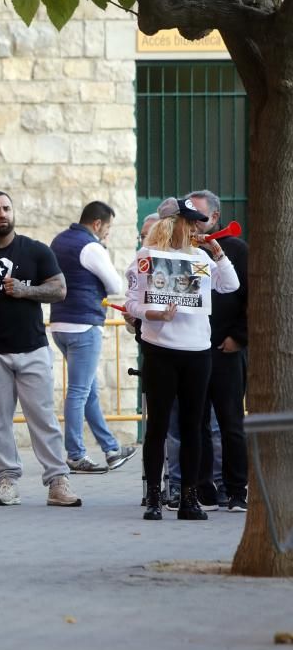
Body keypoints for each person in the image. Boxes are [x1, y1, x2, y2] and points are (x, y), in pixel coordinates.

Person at [0, 191, 82, 507]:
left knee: (43, 417)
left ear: (13, 213)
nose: (2, 214)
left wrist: (26, 290)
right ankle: (7, 481)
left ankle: (57, 481)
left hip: (32, 348)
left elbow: (60, 289)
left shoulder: (36, 251)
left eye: (6, 208)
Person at [125, 197, 239, 520]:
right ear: (172, 224)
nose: (195, 228)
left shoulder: (201, 256)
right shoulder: (145, 257)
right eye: (189, 222)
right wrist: (154, 313)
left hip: (197, 351)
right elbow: (132, 302)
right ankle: (153, 500)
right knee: (158, 427)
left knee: (193, 427)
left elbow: (230, 285)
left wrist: (219, 254)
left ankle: (189, 498)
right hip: (160, 349)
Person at [49, 201, 137, 474]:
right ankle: (75, 455)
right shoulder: (91, 247)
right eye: (108, 227)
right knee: (78, 392)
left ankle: (111, 449)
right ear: (97, 223)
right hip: (84, 325)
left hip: (60, 324)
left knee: (89, 392)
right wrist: (103, 251)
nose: (107, 233)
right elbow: (115, 285)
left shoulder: (59, 241)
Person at [189, 190, 249, 512]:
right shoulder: (182, 251)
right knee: (195, 423)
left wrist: (239, 337)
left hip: (226, 350)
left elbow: (252, 298)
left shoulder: (238, 250)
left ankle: (237, 489)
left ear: (214, 218)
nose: (192, 222)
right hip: (193, 350)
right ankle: (204, 490)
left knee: (231, 423)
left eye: (198, 215)